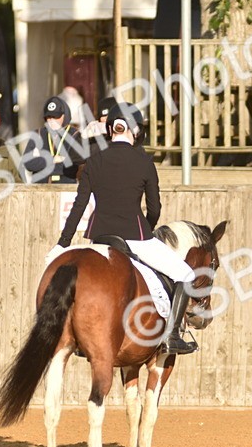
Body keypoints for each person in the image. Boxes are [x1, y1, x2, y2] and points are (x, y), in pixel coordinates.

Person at [48, 102, 199, 355]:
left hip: (99, 239)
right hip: (136, 237)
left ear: (110, 130)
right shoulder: (144, 162)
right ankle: (172, 336)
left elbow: (79, 206)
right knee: (185, 274)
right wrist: (147, 231)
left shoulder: (93, 161)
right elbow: (155, 208)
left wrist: (62, 243)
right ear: (136, 131)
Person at [23, 96, 92, 183]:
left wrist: (41, 161)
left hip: (66, 189)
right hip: (41, 189)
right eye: (49, 117)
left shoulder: (75, 135)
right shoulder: (38, 134)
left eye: (55, 117)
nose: (52, 120)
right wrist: (53, 159)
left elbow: (75, 164)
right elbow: (27, 163)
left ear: (64, 116)